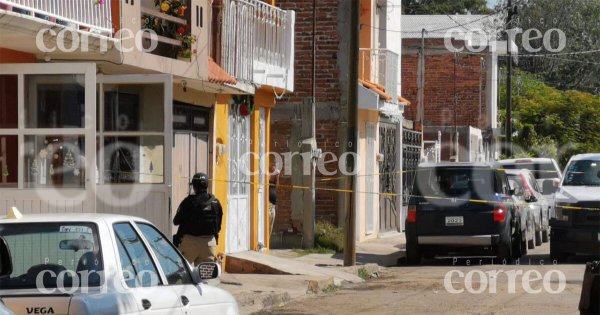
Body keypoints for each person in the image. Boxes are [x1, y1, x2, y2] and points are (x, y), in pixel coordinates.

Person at [173, 173, 223, 265]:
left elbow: (176, 221)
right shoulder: (215, 203)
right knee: (205, 275)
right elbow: (218, 226)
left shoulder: (188, 201)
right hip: (209, 244)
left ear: (194, 186)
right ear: (206, 185)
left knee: (180, 272)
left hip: (189, 243)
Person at [268, 165, 280, 237]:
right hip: (268, 203)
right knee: (267, 221)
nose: (274, 170)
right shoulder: (267, 178)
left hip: (273, 204)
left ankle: (268, 240)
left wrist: (277, 177)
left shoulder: (274, 181)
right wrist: (271, 174)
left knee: (271, 223)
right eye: (273, 168)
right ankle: (266, 239)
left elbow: (277, 186)